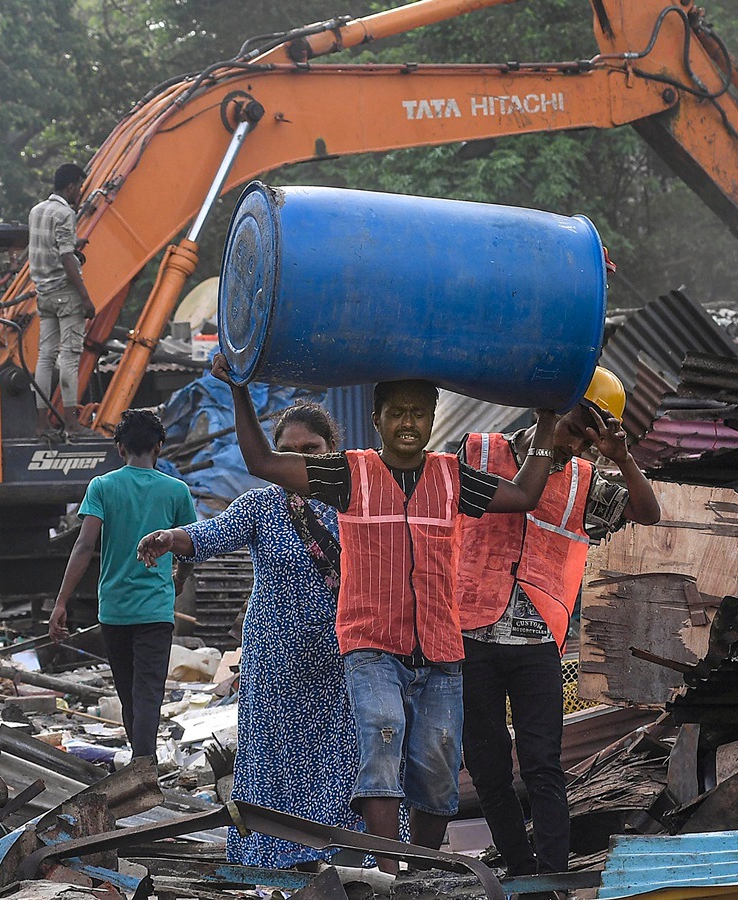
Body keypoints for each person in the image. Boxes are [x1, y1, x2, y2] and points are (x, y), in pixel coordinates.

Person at [216, 352, 559, 874]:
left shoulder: (452, 477)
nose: (408, 423)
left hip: (441, 649)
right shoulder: (349, 474)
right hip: (371, 645)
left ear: (432, 419)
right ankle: (390, 869)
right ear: (377, 419)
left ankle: (419, 868)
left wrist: (548, 423)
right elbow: (263, 465)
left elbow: (526, 495)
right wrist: (239, 390)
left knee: (439, 766)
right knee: (380, 732)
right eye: (397, 412)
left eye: (418, 413)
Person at [454, 367, 661, 877]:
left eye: (586, 439)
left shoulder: (585, 480)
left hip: (537, 641)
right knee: (488, 768)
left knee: (544, 765)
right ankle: (525, 876)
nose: (574, 446)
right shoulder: (478, 452)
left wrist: (622, 458)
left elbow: (648, 513)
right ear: (545, 412)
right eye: (570, 429)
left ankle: (553, 879)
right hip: (470, 633)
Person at [137, 403, 362, 868]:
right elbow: (209, 536)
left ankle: (343, 851)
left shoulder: (356, 501)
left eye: (311, 449)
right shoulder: (259, 506)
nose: (300, 459)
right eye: (288, 451)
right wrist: (168, 538)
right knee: (274, 760)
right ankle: (275, 857)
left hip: (340, 659)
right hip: (275, 662)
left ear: (333, 450)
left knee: (342, 757)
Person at [50, 409, 197, 758]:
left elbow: (84, 546)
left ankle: (139, 764)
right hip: (155, 610)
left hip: (114, 611)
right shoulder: (176, 490)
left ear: (119, 448)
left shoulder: (102, 487)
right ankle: (143, 766)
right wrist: (179, 578)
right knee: (148, 692)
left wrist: (61, 603)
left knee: (129, 692)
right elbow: (191, 546)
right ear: (159, 447)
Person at [29, 162, 96, 438]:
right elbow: (66, 257)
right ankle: (72, 424)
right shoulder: (66, 213)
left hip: (43, 294)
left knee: (45, 359)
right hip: (65, 295)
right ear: (70, 187)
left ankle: (42, 425)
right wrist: (85, 298)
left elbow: (50, 247)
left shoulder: (37, 211)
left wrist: (73, 243)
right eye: (79, 187)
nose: (80, 193)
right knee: (69, 357)